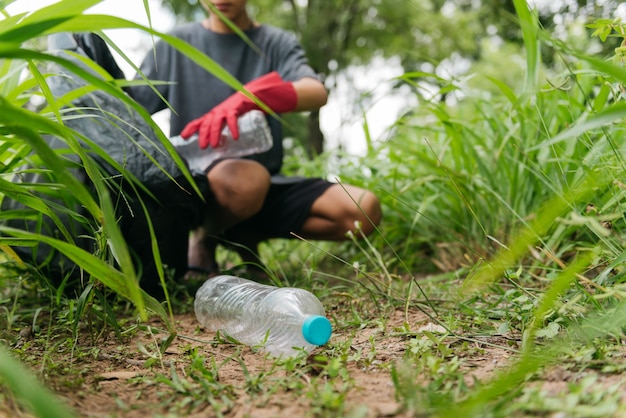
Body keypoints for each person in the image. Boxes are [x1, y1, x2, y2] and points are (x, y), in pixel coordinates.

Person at [129, 0, 382, 282]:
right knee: (246, 181)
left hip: (265, 186)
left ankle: (243, 230)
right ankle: (204, 239)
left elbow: (315, 92)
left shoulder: (275, 42)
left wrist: (254, 97)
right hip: (197, 190)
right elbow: (129, 111)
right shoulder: (174, 44)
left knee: (363, 210)